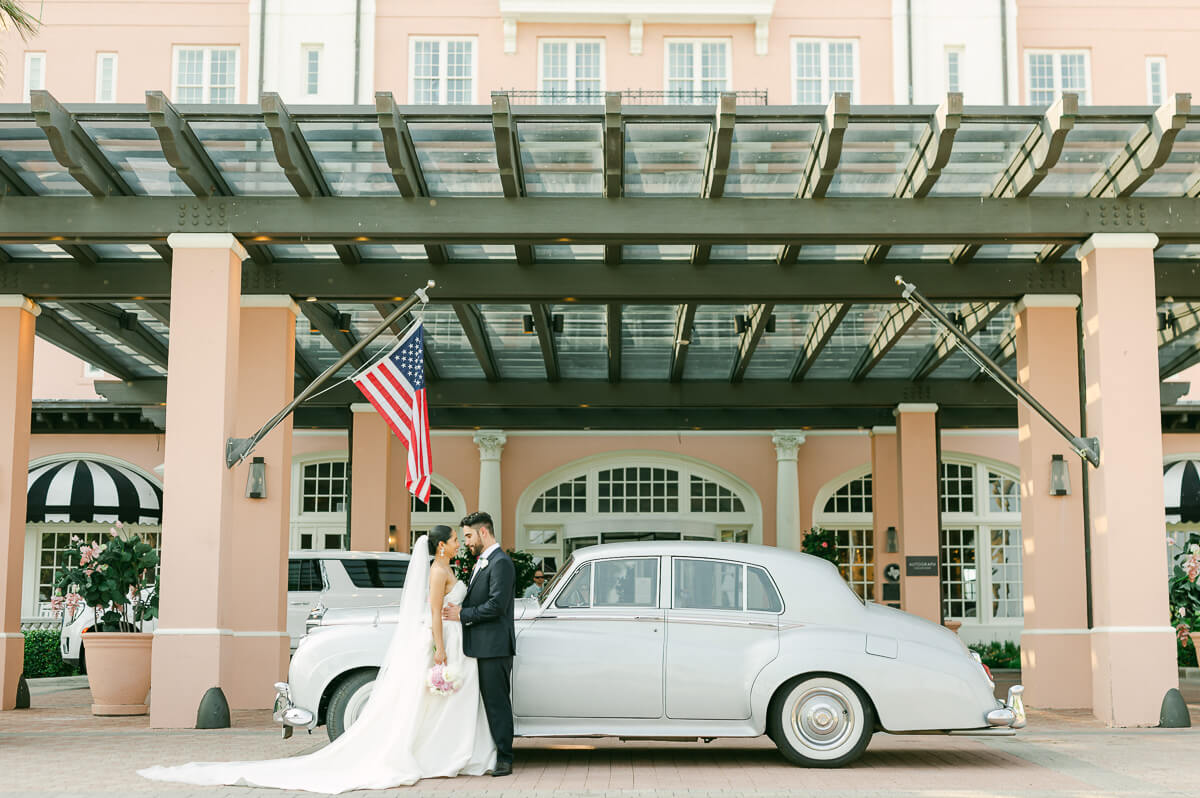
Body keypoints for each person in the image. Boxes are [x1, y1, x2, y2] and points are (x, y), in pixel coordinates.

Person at [136, 526, 495, 793]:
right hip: (440, 640)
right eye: (453, 539)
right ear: (441, 544)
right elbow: (434, 612)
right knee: (424, 703)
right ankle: (438, 752)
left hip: (452, 635)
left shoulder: (445, 569)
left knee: (434, 704)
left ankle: (445, 749)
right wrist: (441, 649)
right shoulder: (436, 572)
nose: (457, 543)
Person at [442, 511, 516, 778]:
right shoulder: (483, 561)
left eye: (470, 536)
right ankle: (491, 753)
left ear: (483, 532)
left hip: (495, 647)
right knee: (487, 704)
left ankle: (505, 759)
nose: (467, 542)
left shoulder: (500, 563)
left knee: (497, 703)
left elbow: (497, 605)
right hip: (480, 645)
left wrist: (462, 614)